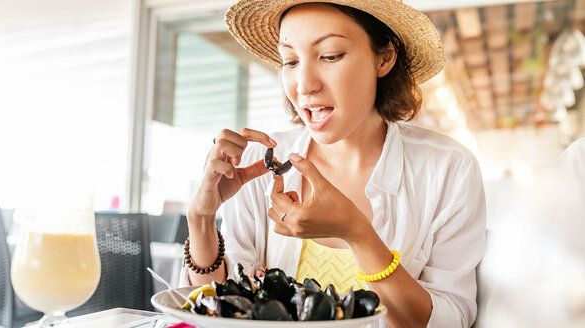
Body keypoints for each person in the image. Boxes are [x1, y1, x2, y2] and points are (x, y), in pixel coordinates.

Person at [180, 1, 486, 327]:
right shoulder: (258, 163)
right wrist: (201, 220)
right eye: (291, 61)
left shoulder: (449, 169)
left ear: (383, 58)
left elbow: (451, 319)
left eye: (329, 56)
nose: (305, 84)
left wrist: (358, 234)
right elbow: (221, 309)